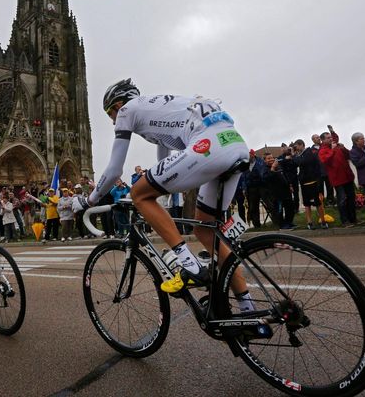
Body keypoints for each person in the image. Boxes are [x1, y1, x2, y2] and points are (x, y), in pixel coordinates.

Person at [88, 78, 256, 312]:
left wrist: (89, 200)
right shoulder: (159, 109)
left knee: (139, 194)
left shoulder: (127, 110)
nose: (112, 120)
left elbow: (115, 169)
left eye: (109, 114)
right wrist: (164, 184)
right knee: (205, 230)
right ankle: (249, 311)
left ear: (117, 105)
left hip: (208, 145)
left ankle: (189, 265)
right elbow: (164, 157)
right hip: (235, 144)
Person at [318, 127, 357, 227]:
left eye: (330, 137)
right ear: (323, 140)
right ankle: (345, 221)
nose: (331, 139)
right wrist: (333, 149)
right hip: (337, 179)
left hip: (347, 176)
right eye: (328, 138)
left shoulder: (336, 146)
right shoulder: (322, 150)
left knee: (351, 198)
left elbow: (348, 155)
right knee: (342, 199)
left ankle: (353, 219)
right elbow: (325, 160)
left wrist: (343, 148)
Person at [292, 139, 327, 229]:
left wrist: (294, 155)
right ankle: (309, 222)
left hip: (313, 182)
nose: (296, 149)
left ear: (301, 145)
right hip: (304, 183)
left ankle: (323, 221)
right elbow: (295, 164)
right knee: (307, 204)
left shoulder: (309, 152)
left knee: (318, 203)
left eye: (296, 146)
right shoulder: (300, 155)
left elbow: (301, 162)